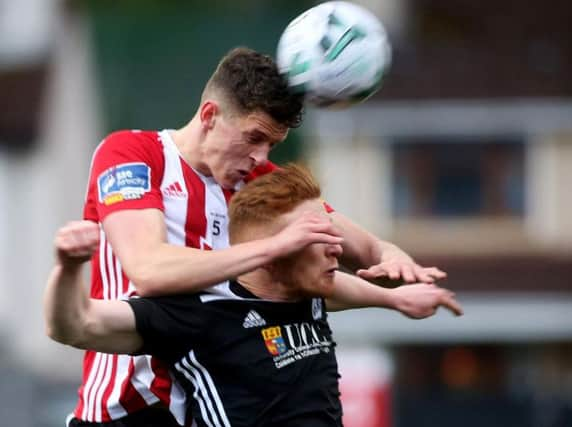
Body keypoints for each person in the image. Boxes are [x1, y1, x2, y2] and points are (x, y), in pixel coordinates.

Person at [58, 46, 448, 426]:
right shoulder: (134, 154)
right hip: (126, 408)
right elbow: (148, 269)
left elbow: (361, 249)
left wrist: (394, 261)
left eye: (272, 145)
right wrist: (275, 247)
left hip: (206, 408)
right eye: (254, 137)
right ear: (210, 115)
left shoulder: (259, 183)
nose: (261, 157)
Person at [45, 165, 463, 427]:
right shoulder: (202, 312)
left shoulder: (308, 291)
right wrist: (68, 267)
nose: (338, 249)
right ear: (276, 254)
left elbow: (338, 288)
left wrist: (396, 299)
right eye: (318, 237)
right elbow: (75, 325)